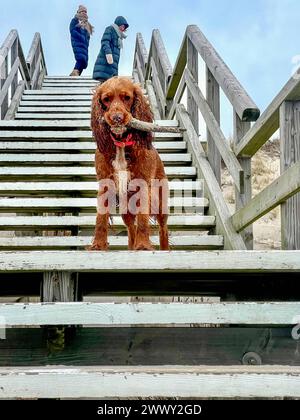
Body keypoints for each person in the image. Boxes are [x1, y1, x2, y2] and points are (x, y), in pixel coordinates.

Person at [93, 16, 129, 82]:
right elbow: (105, 41)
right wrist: (108, 53)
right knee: (103, 82)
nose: (123, 28)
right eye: (122, 26)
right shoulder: (110, 29)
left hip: (112, 66)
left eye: (124, 27)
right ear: (118, 23)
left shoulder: (119, 37)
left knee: (110, 85)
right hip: (105, 61)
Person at [69, 5, 94, 76]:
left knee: (84, 62)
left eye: (85, 12)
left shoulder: (87, 24)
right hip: (77, 42)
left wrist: (87, 42)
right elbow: (72, 30)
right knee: (80, 58)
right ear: (79, 12)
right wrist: (78, 27)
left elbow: (88, 35)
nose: (84, 13)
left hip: (84, 45)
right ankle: (74, 72)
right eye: (83, 11)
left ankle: (77, 74)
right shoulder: (75, 20)